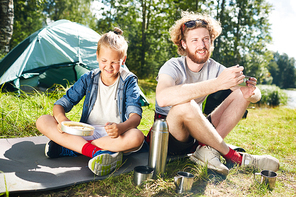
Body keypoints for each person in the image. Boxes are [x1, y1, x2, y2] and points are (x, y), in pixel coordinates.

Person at [147, 12, 279, 176]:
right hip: (168, 137)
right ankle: (233, 156)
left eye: (206, 39)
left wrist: (250, 93)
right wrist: (216, 84)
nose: (201, 45)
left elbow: (256, 94)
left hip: (196, 133)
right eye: (194, 40)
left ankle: (205, 150)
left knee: (240, 94)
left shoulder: (215, 67)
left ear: (211, 41)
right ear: (184, 44)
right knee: (186, 105)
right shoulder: (172, 66)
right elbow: (163, 97)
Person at [36, 27, 145, 176]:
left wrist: (120, 127)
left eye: (114, 62)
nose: (108, 66)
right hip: (87, 132)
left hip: (113, 137)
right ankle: (97, 152)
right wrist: (63, 121)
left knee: (137, 137)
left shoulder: (129, 81)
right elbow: (60, 104)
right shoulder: (89, 78)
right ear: (97, 56)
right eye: (104, 61)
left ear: (123, 60)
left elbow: (135, 117)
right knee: (43, 120)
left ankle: (72, 148)